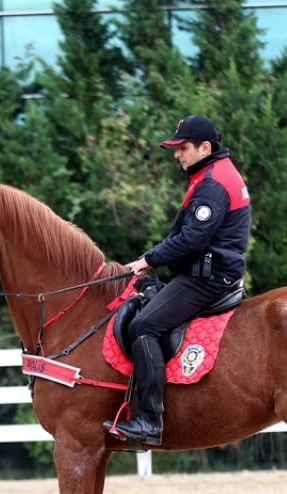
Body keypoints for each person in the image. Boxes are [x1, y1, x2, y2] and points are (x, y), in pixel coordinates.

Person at [107, 114, 251, 445]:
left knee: (143, 325)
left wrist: (147, 260)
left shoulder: (213, 184)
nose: (177, 155)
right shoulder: (210, 175)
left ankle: (149, 420)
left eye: (183, 148)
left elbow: (191, 241)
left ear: (205, 147)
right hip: (203, 271)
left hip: (207, 278)